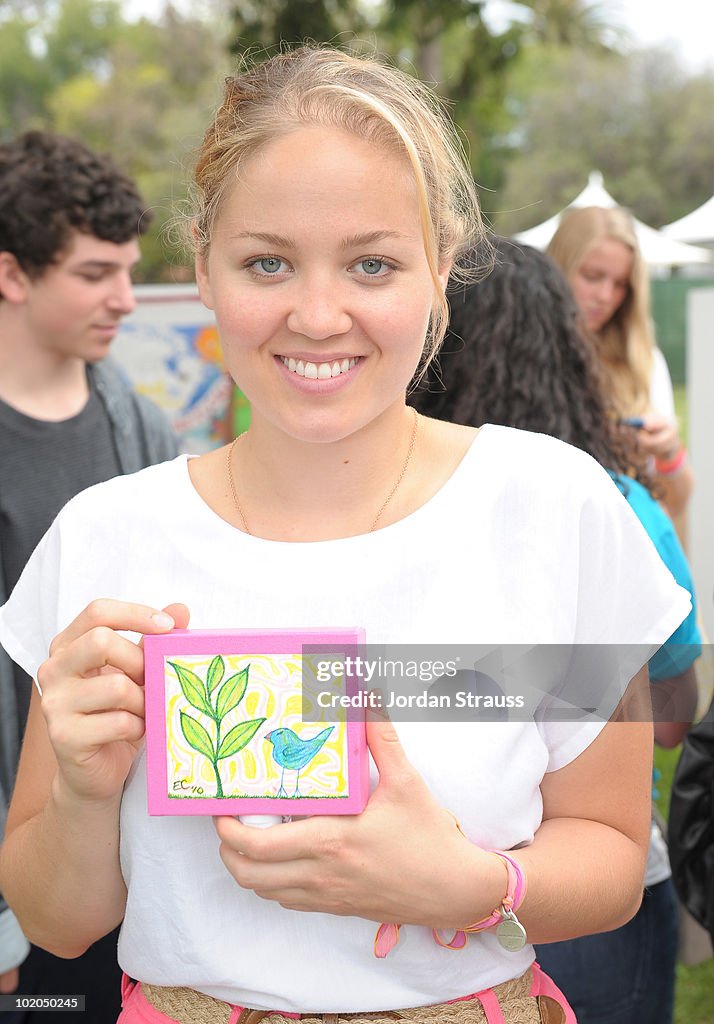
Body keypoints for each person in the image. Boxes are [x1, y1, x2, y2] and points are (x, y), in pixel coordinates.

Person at [0, 47, 693, 1024]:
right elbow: (56, 920)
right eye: (266, 262)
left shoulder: (557, 509)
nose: (318, 316)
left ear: (441, 263)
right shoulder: (106, 537)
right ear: (202, 264)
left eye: (372, 263)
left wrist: (469, 884)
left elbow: (614, 856)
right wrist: (79, 786)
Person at [411, 236, 701, 1024]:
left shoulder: (373, 517)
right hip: (595, 887)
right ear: (566, 348)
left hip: (417, 879)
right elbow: (674, 717)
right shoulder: (615, 505)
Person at [0, 130, 178, 1022]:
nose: (125, 297)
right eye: (95, 272)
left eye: (130, 269)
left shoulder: (139, 428)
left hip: (125, 879)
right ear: (11, 274)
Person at [546, 205, 693, 535]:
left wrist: (669, 452)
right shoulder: (523, 358)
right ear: (558, 267)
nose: (605, 296)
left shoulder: (643, 360)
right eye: (593, 276)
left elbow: (676, 502)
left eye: (621, 284)